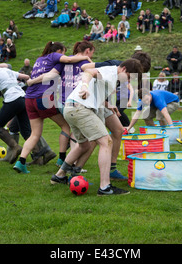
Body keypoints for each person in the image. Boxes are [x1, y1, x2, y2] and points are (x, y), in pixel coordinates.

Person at [50, 58, 143, 196]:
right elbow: (88, 72)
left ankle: (59, 176)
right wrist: (84, 87)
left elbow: (96, 91)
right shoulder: (111, 72)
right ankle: (105, 187)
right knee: (106, 142)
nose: (127, 82)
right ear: (123, 69)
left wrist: (107, 104)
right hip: (80, 109)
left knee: (84, 146)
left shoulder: (113, 77)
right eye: (128, 78)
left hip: (71, 108)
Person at [12, 42, 92, 171]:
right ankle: (61, 159)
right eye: (63, 52)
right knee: (66, 126)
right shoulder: (54, 56)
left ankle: (20, 162)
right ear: (58, 51)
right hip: (43, 98)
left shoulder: (39, 60)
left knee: (35, 134)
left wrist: (32, 81)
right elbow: (69, 59)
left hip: (29, 99)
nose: (64, 55)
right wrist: (85, 58)